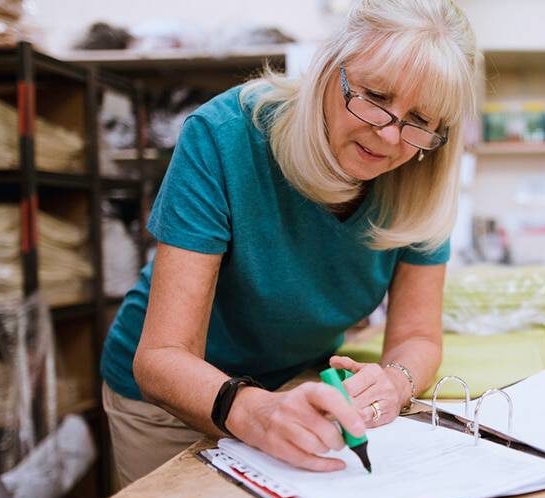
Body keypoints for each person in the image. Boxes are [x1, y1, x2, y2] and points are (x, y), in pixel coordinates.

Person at [98, 0, 477, 488]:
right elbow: (161, 358)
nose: (388, 135)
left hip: (296, 385)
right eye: (375, 95)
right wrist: (256, 414)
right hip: (169, 402)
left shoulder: (420, 180)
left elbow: (418, 338)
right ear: (327, 68)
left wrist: (395, 380)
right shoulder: (226, 136)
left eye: (420, 120)